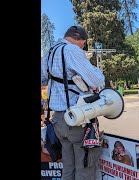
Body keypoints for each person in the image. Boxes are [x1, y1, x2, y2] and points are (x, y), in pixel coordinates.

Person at [41, 26, 105, 180]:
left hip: (57, 121)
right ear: (79, 38)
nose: (83, 47)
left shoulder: (49, 52)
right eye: (84, 44)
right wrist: (95, 70)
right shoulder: (72, 50)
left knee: (68, 166)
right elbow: (97, 80)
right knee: (85, 165)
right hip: (77, 119)